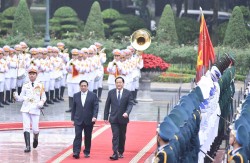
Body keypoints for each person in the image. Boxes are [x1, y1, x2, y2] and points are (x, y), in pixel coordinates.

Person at [13, 65, 46, 153]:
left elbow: (43, 97)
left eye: (33, 74)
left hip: (35, 108)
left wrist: (41, 103)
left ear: (36, 75)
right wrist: (16, 97)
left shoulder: (40, 85)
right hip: (26, 108)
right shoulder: (25, 85)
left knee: (35, 129)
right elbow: (21, 98)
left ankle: (35, 138)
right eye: (30, 74)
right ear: (28, 75)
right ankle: (27, 146)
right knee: (26, 127)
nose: (32, 75)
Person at [104, 76, 133, 160]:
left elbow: (130, 104)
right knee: (115, 135)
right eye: (117, 82)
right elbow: (107, 105)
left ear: (123, 83)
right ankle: (115, 152)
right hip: (113, 118)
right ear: (115, 84)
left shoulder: (128, 93)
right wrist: (106, 116)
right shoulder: (111, 92)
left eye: (120, 82)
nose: (119, 84)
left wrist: (127, 112)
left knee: (122, 136)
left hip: (123, 118)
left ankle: (120, 151)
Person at [71, 80, 99, 159]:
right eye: (82, 86)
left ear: (87, 86)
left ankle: (87, 151)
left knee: (87, 136)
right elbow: (73, 108)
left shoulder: (93, 95)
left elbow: (96, 107)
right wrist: (72, 119)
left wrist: (94, 116)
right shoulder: (76, 95)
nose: (83, 87)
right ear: (79, 86)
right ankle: (76, 151)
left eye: (85, 86)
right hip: (78, 119)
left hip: (89, 119)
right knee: (78, 135)